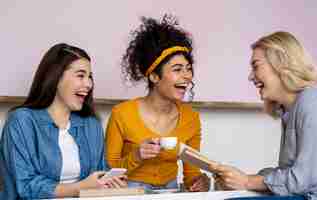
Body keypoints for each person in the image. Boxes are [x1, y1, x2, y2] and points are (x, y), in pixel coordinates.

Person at [212, 31, 317, 200]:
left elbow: (304, 177)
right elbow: (290, 173)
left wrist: (247, 182)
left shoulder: (313, 102)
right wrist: (239, 180)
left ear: (281, 64)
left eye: (256, 66)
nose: (250, 76)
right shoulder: (291, 110)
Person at [0, 43, 127, 200]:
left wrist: (109, 182)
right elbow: (24, 186)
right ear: (55, 76)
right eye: (80, 75)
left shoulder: (91, 124)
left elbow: (100, 173)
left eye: (90, 77)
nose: (88, 84)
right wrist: (79, 188)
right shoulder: (22, 121)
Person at [105, 14, 210, 192]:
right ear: (154, 76)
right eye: (177, 69)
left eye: (188, 69)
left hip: (170, 191)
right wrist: (136, 156)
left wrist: (201, 182)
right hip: (130, 192)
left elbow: (191, 174)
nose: (187, 76)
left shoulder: (191, 119)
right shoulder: (122, 114)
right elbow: (108, 173)